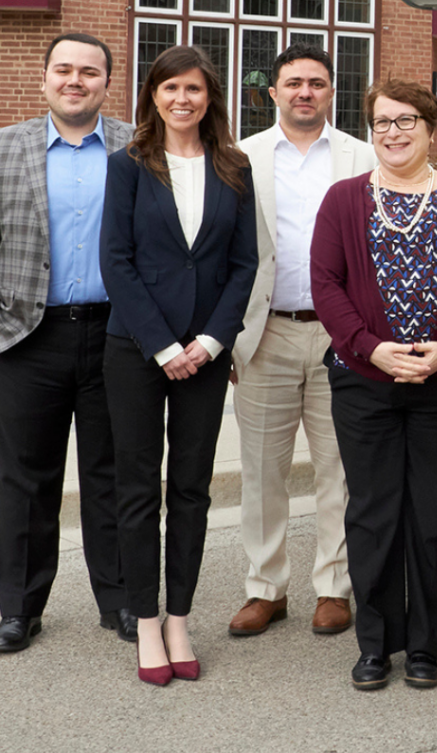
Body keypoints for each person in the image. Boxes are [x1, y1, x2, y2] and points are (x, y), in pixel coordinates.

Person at [311, 80, 437, 691]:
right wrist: (371, 349)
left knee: (431, 516)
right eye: (381, 123)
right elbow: (326, 284)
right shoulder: (343, 199)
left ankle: (424, 645)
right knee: (371, 516)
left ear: (430, 127)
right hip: (364, 383)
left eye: (406, 121)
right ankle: (376, 645)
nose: (393, 133)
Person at [100, 45, 258, 685]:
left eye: (193, 88)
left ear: (209, 96)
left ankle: (179, 619)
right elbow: (117, 260)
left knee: (191, 490)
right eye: (170, 89)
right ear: (153, 97)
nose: (181, 100)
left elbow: (245, 263)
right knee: (137, 490)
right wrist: (164, 345)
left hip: (207, 352)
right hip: (137, 350)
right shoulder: (129, 166)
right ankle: (144, 622)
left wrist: (213, 341)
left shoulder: (234, 166)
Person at [228, 43, 375, 639]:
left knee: (338, 469)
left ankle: (333, 588)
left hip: (342, 336)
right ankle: (266, 589)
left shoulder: (363, 155)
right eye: (293, 83)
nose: (305, 92)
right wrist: (228, 336)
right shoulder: (241, 157)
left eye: (316, 83)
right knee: (262, 470)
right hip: (266, 334)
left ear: (331, 92)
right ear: (274, 93)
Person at [0, 34, 136, 653]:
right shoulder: (7, 148)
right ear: (45, 77)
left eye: (89, 71)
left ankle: (123, 600)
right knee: (24, 480)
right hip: (29, 336)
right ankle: (16, 606)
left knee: (113, 472)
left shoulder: (138, 148)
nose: (75, 80)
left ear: (108, 81)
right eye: (64, 70)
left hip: (116, 333)